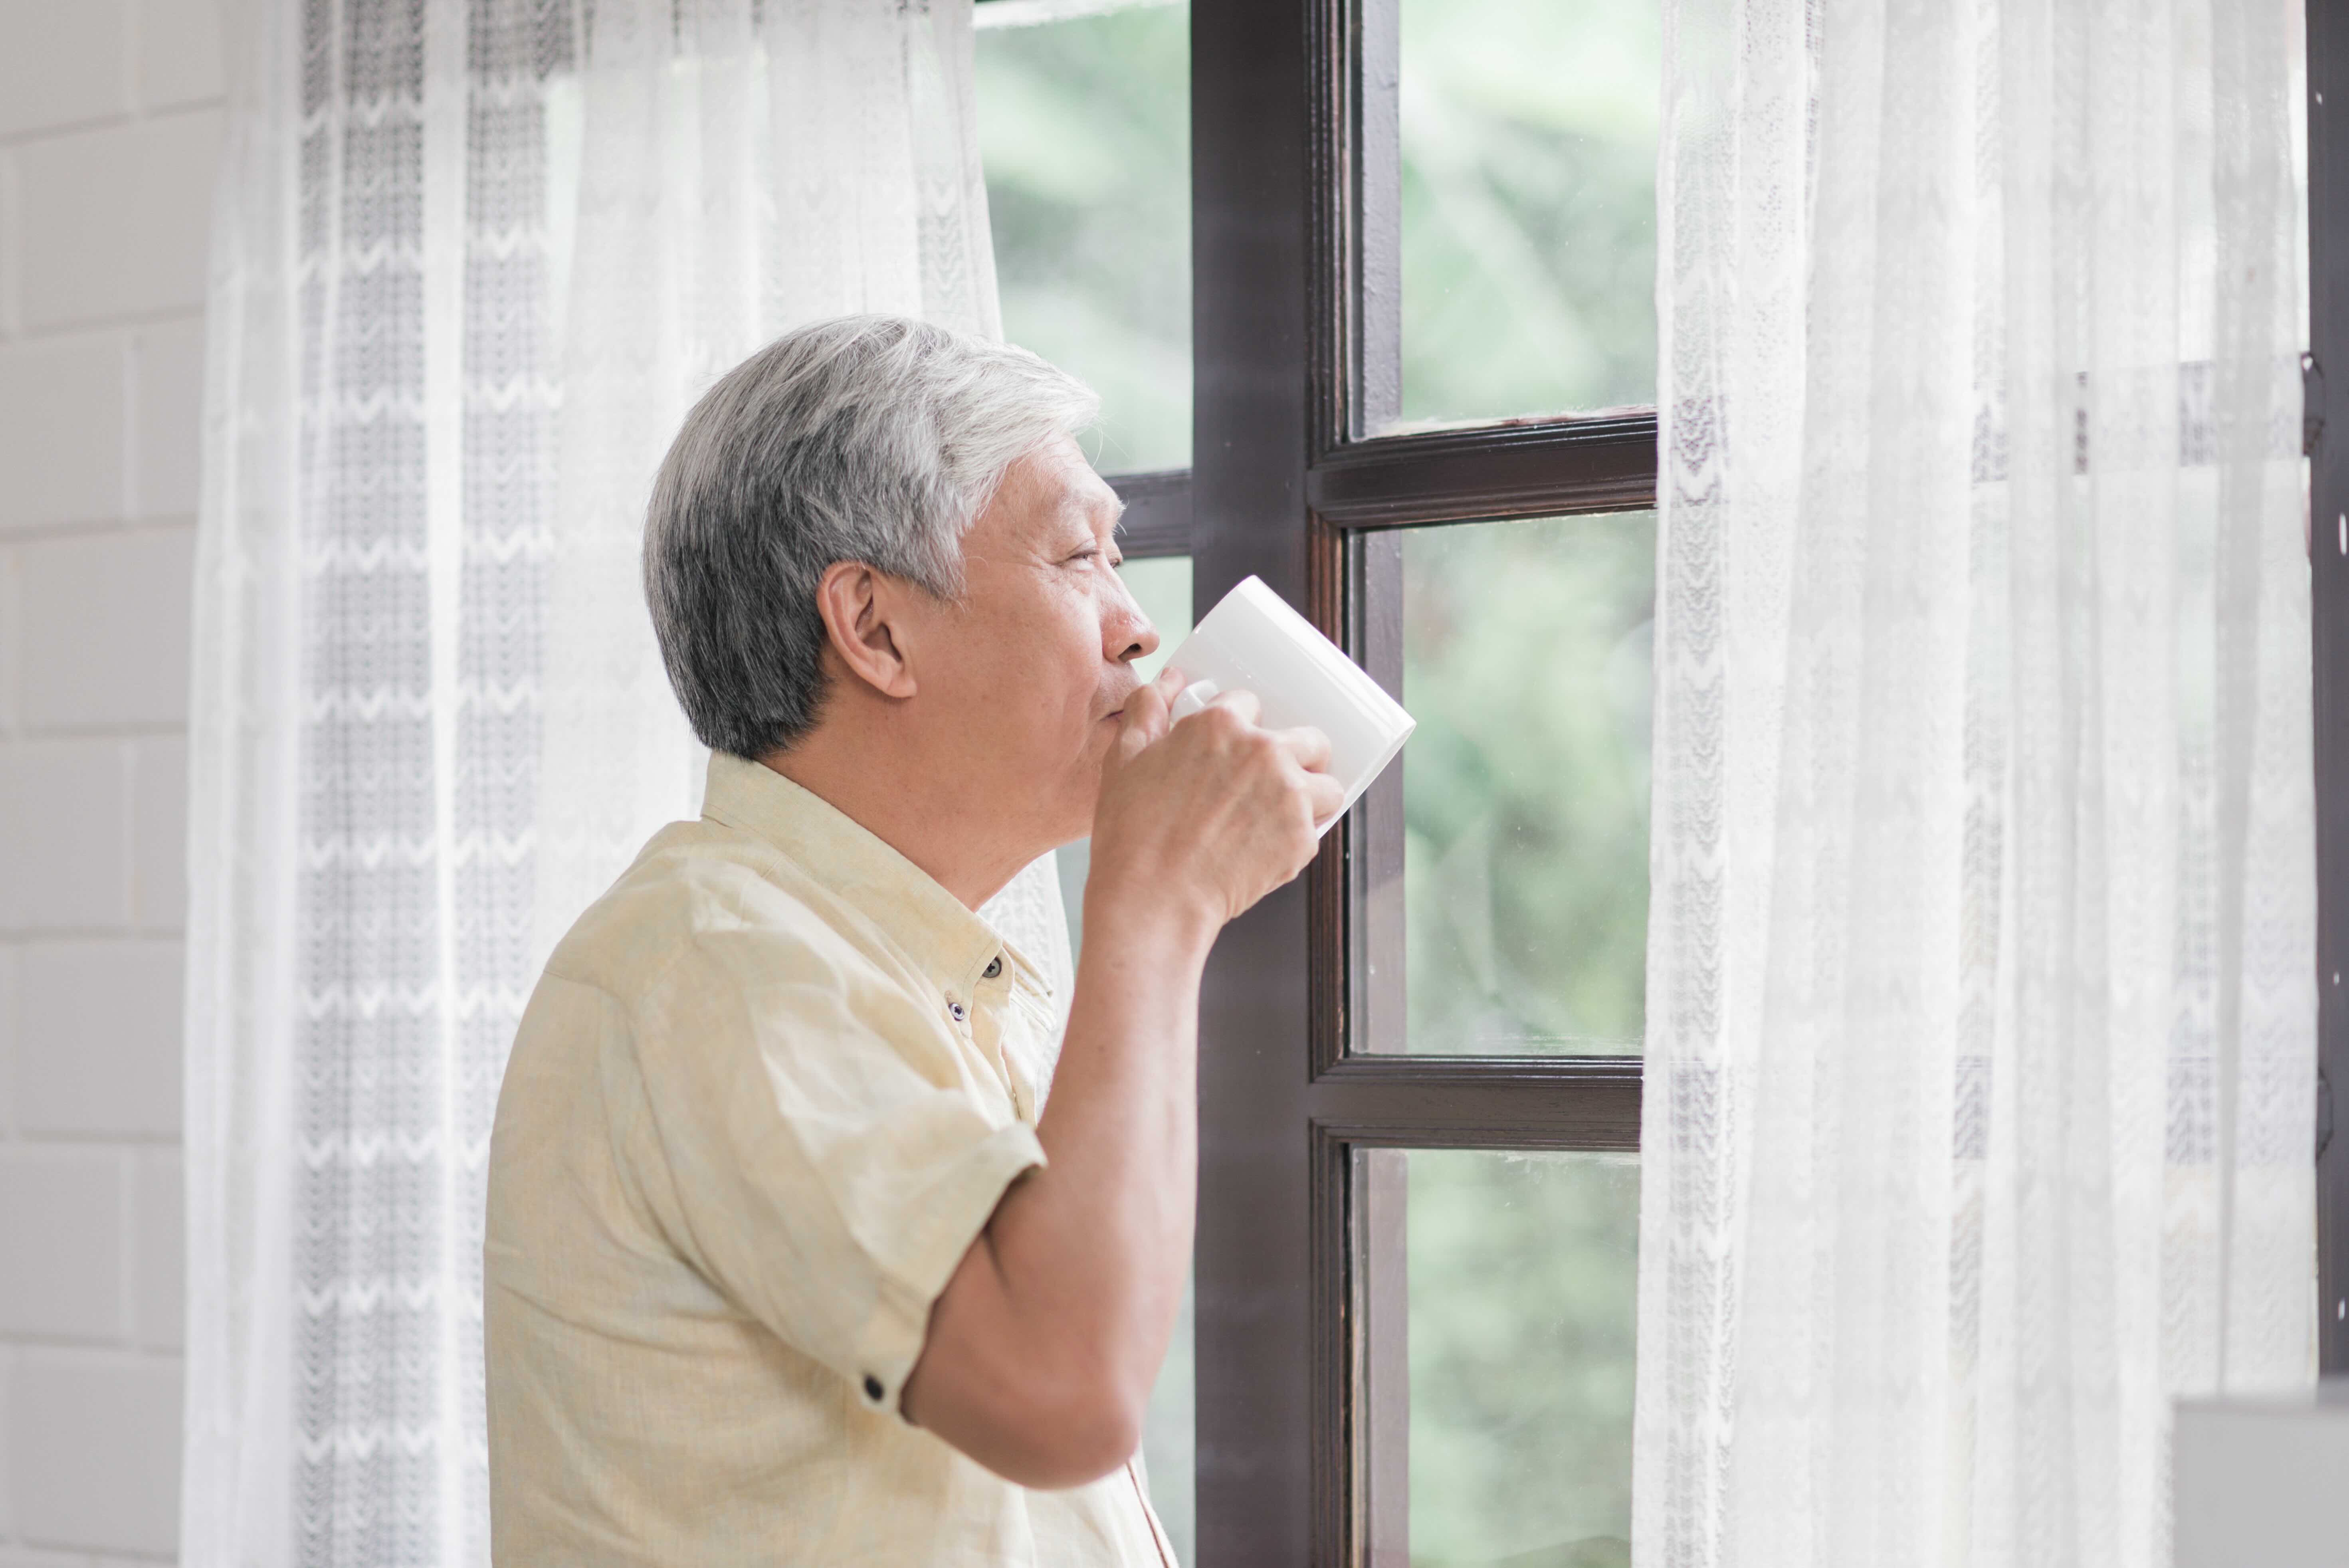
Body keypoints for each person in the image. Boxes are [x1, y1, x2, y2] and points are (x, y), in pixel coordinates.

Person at [483, 314, 1341, 1563]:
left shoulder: (898, 966)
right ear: (874, 628)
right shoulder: (715, 965)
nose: (1137, 627)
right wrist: (1157, 907)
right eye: (1079, 559)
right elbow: (1062, 1395)